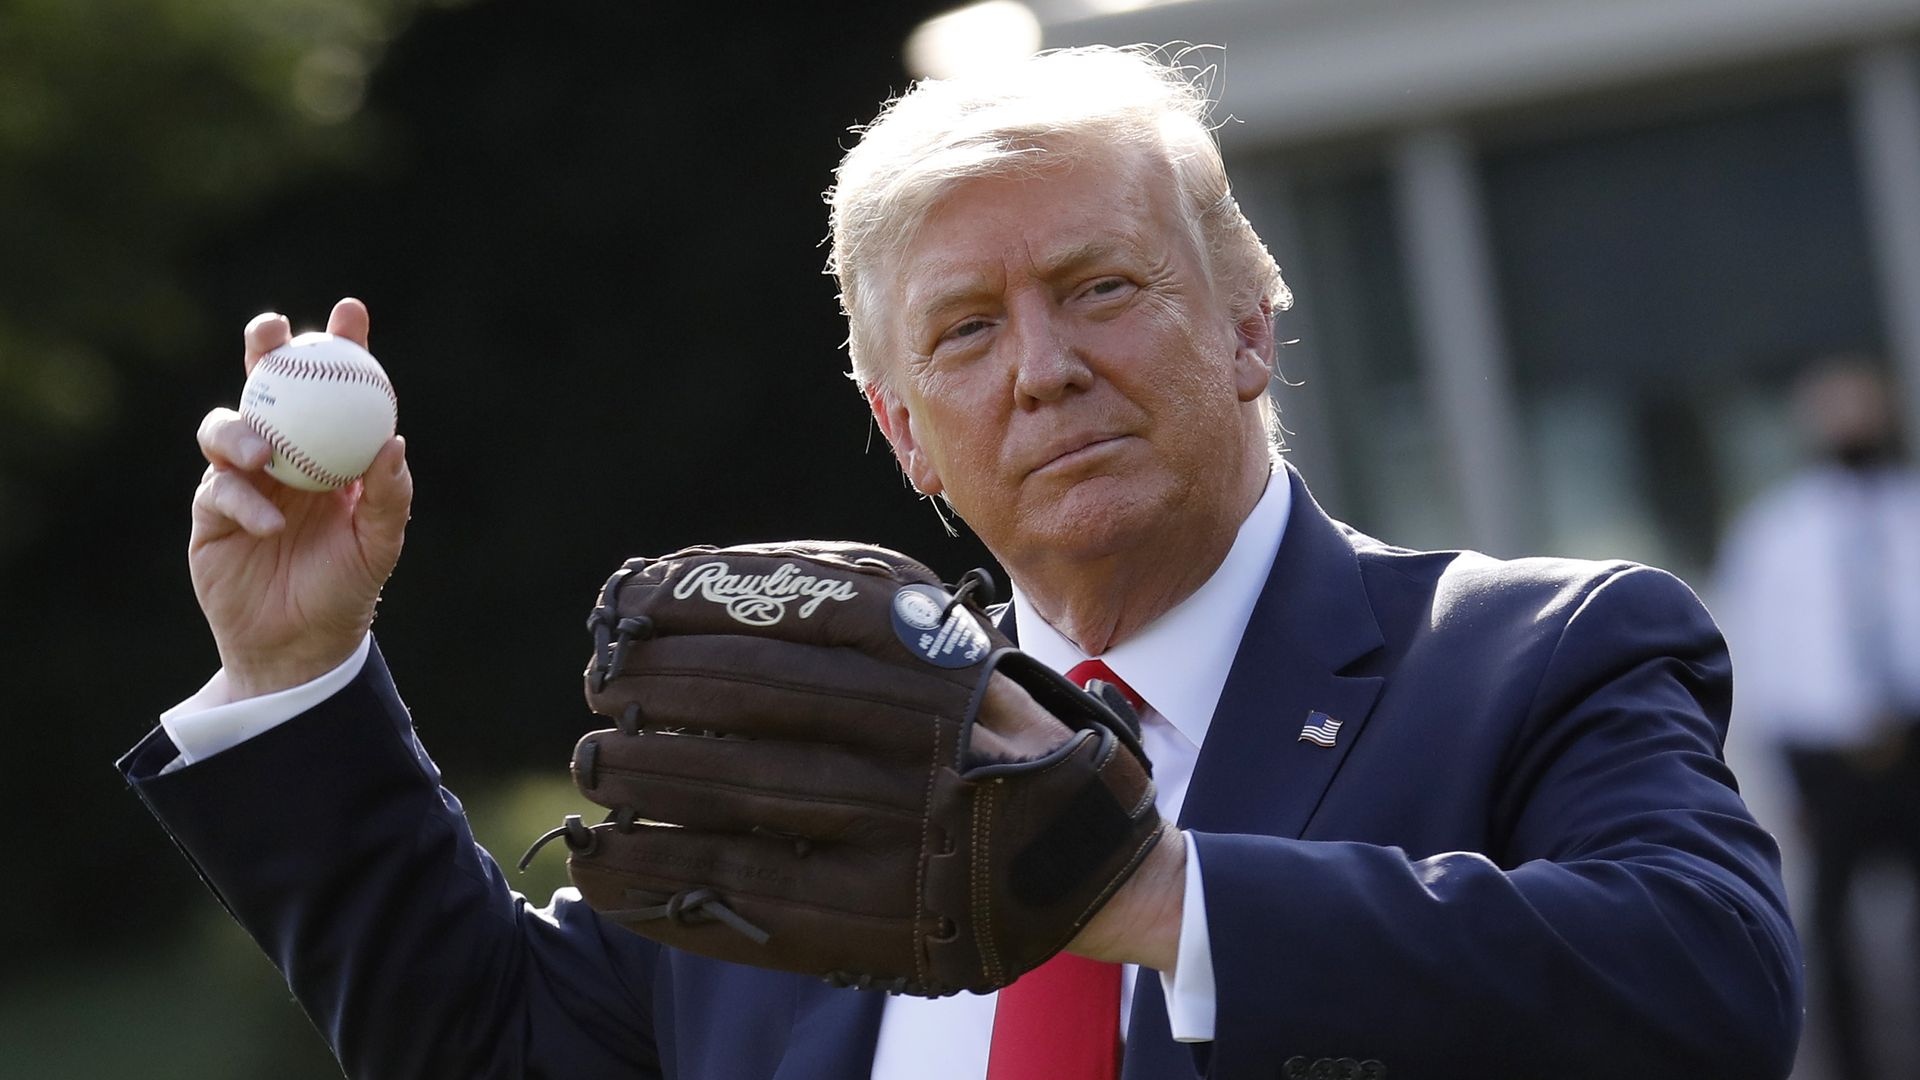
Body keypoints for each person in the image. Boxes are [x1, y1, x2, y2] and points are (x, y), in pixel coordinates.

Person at [122, 46, 1801, 1078]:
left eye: (1101, 287)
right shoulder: (815, 750)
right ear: (908, 435)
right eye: (967, 333)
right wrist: (297, 674)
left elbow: (1709, 986)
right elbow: (495, 1044)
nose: (1043, 368)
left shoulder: (1535, 655)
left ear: (1245, 328)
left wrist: (1153, 896)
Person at [1715, 356, 1920, 1079]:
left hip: (1916, 743)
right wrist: (1777, 778)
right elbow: (1756, 656)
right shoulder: (1775, 534)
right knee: (1831, 930)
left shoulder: (1911, 512)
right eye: (1834, 409)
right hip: (1824, 757)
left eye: (1863, 406)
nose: (1851, 423)